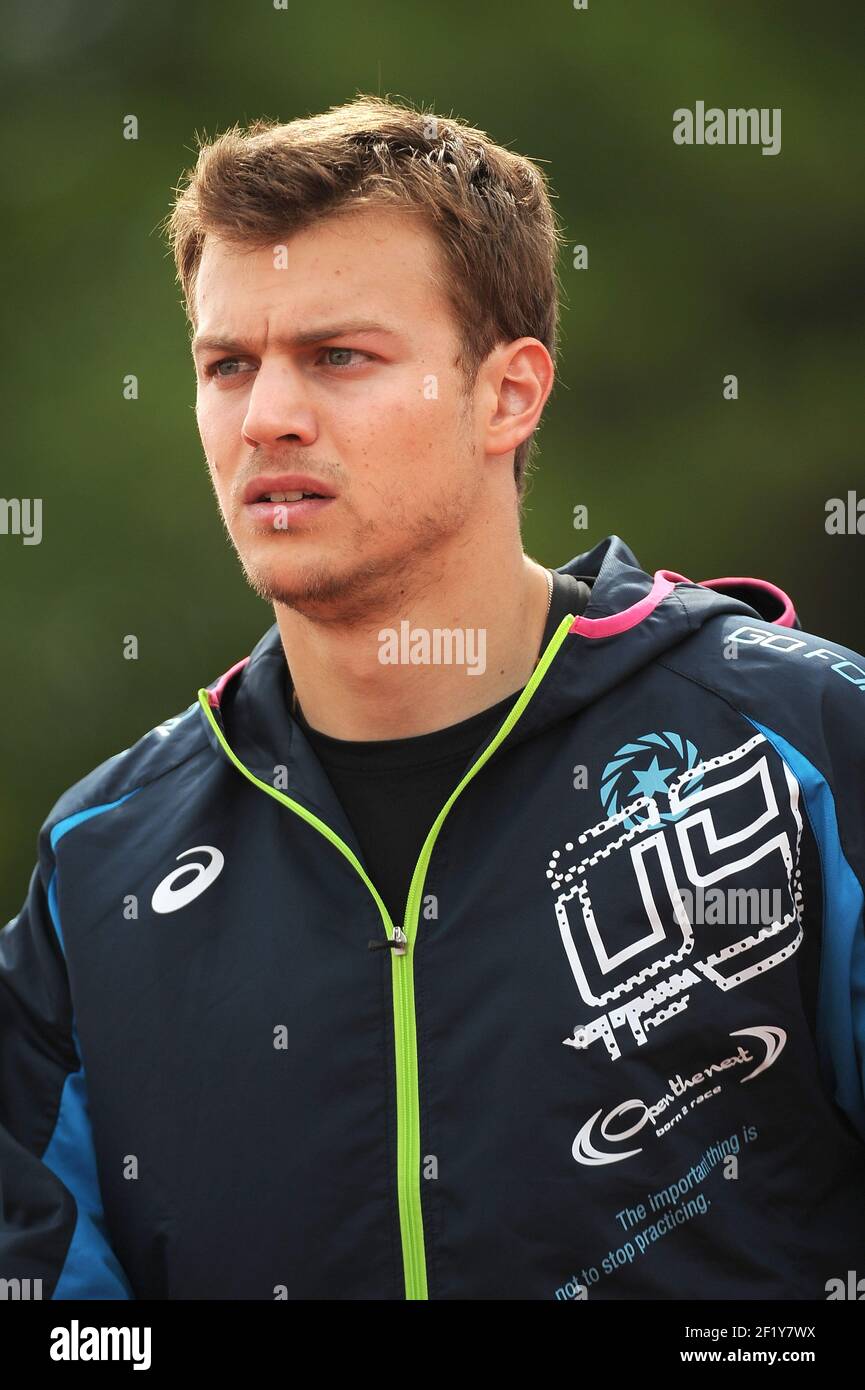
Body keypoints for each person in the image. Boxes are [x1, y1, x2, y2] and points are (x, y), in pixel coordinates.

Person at [2, 93, 864, 1302]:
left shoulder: (804, 743)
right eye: (227, 365)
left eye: (337, 356)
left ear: (507, 395)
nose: (267, 418)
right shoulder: (102, 866)